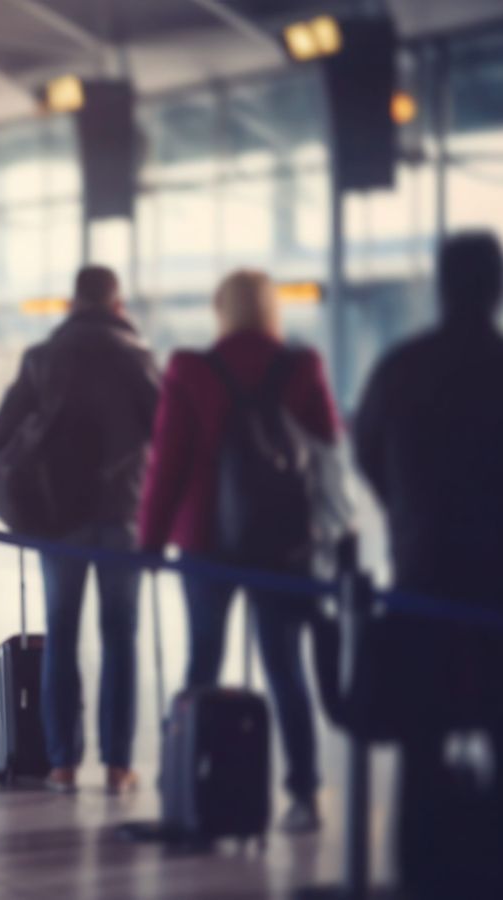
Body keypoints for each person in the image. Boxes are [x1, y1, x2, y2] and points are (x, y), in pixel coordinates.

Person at [353, 232, 503, 899]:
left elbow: (367, 456)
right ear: (499, 288)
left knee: (422, 744)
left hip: (426, 592)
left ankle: (420, 873)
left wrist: (410, 521)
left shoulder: (399, 369)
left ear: (441, 286)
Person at [137, 268, 339, 834]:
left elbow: (167, 464)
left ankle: (185, 773)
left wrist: (150, 542)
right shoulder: (302, 369)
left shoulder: (192, 370)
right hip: (282, 546)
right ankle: (304, 794)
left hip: (206, 543)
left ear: (221, 309)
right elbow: (327, 455)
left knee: (201, 660)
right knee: (285, 669)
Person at [0, 265, 160, 794]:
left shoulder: (45, 358)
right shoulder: (137, 357)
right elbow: (169, 436)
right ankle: (118, 764)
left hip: (59, 520)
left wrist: (29, 508)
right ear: (116, 302)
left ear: (73, 302)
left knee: (61, 634)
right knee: (120, 635)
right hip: (122, 516)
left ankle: (62, 761)